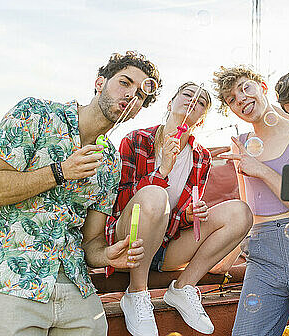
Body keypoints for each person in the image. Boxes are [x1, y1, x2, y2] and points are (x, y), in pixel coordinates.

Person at [0, 51, 159, 335]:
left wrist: (109, 255)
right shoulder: (34, 113)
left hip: (76, 293)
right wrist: (59, 171)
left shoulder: (110, 161)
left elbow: (91, 242)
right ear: (99, 82)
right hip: (9, 283)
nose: (131, 95)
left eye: (140, 95)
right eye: (124, 82)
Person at [106, 82, 253, 336]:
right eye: (187, 94)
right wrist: (162, 171)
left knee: (241, 213)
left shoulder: (201, 157)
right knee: (153, 193)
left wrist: (188, 215)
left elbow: (180, 219)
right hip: (127, 245)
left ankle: (183, 288)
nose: (193, 101)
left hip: (166, 248)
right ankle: (137, 293)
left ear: (202, 118)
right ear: (170, 103)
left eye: (202, 102)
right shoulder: (137, 140)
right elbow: (120, 202)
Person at [212, 66, 289, 336]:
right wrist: (225, 262)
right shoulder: (240, 144)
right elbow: (247, 211)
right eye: (232, 99)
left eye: (246, 87)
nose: (241, 99)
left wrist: (260, 169)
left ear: (262, 87)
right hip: (261, 255)